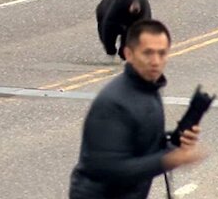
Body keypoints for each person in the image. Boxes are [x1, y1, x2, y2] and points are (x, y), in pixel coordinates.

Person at [68, 19, 205, 199]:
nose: (155, 61)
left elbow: (141, 143)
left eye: (162, 53)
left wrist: (176, 141)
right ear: (129, 54)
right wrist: (169, 159)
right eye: (147, 53)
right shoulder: (113, 103)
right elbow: (107, 168)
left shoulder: (149, 89)